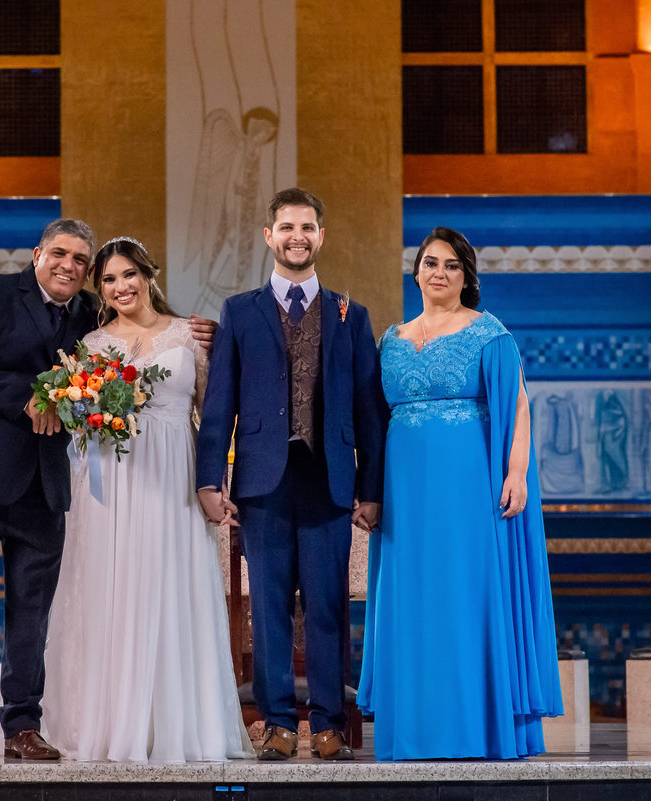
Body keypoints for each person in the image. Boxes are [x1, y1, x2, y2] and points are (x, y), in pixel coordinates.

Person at [0, 219, 217, 761]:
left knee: (32, 611)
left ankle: (22, 727)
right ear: (38, 253)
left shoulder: (90, 317)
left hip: (46, 485)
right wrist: (29, 396)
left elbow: (136, 352)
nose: (70, 267)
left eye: (82, 262)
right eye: (61, 254)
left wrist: (203, 336)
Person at [40, 237, 253, 763]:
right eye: (109, 280)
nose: (121, 287)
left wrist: (213, 483)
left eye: (129, 275)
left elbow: (214, 418)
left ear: (149, 275)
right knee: (113, 590)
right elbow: (75, 420)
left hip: (173, 478)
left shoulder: (192, 335)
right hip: (112, 484)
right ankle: (114, 724)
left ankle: (179, 724)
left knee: (169, 587)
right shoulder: (90, 345)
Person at [357, 226, 563, 760]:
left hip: (467, 486)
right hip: (404, 491)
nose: (439, 273)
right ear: (416, 271)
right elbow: (374, 420)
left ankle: (473, 725)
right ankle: (416, 729)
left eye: (451, 265)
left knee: (463, 594)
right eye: (430, 263)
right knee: (412, 598)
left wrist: (516, 474)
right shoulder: (391, 340)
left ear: (466, 276)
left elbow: (517, 409)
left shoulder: (489, 333)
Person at [196, 188, 387, 761]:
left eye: (307, 227)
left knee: (327, 607)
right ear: (268, 236)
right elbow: (219, 404)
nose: (297, 237)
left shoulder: (350, 316)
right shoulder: (239, 311)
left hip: (328, 477)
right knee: (270, 606)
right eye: (286, 227)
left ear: (320, 237)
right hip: (262, 481)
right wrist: (210, 480)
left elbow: (368, 411)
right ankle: (277, 723)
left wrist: (371, 491)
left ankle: (329, 722)